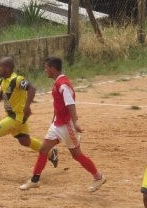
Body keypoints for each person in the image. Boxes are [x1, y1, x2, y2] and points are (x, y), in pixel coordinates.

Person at [20, 56, 106, 192]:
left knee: (76, 155)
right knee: (43, 149)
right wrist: (54, 119)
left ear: (52, 69)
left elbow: (70, 103)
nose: (45, 70)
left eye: (46, 68)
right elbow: (59, 105)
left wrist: (75, 121)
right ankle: (35, 180)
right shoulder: (59, 83)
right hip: (58, 124)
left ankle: (98, 176)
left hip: (67, 125)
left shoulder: (62, 84)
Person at [0, 56, 58, 171]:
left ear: (7, 68)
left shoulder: (17, 80)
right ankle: (51, 153)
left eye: (0, 66)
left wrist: (27, 105)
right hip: (15, 117)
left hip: (16, 118)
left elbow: (32, 88)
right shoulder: (2, 81)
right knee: (25, 141)